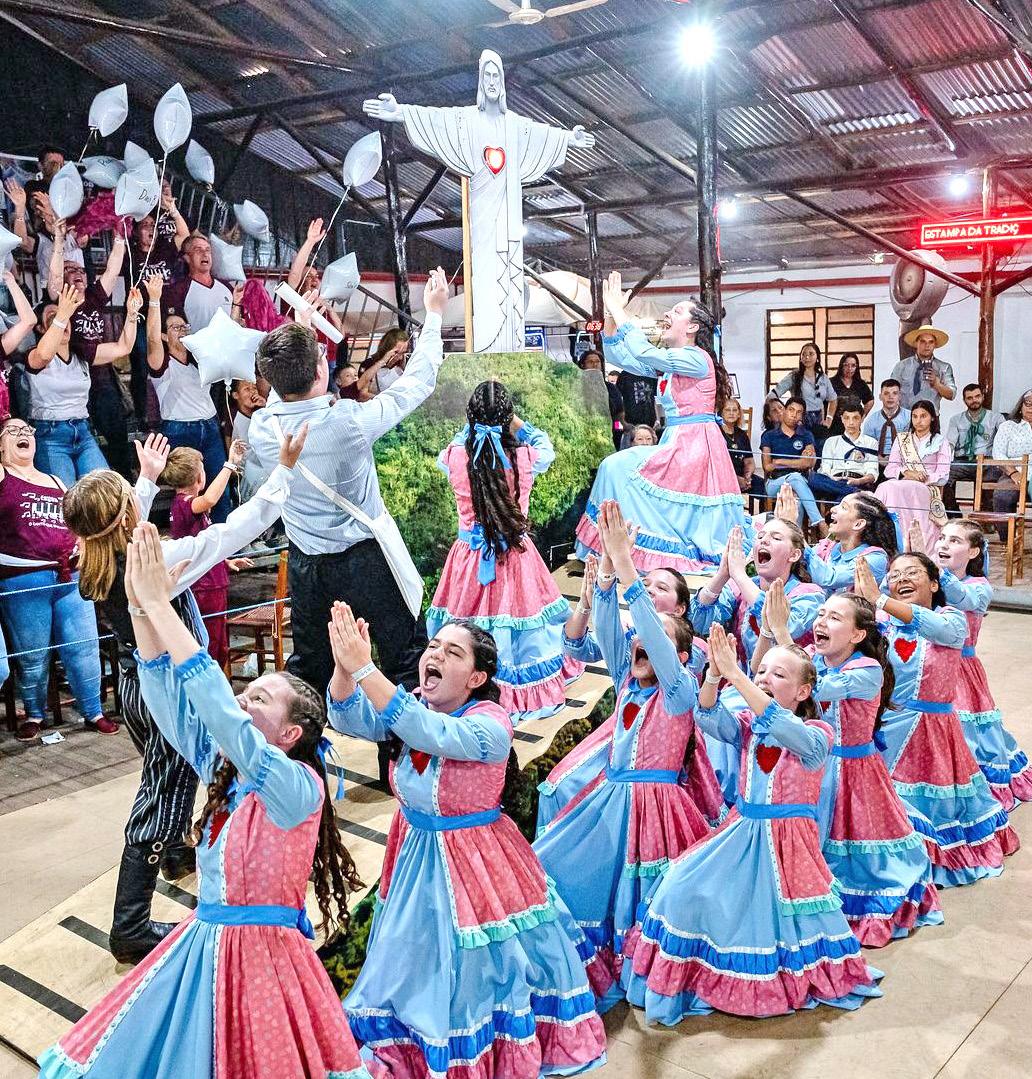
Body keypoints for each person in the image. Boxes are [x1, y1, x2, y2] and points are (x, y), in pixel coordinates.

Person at [38, 521, 370, 1079]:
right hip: (205, 946)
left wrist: (159, 606)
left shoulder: (298, 788)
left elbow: (220, 712)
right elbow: (167, 697)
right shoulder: (226, 771)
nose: (243, 700)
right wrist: (139, 607)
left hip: (266, 961)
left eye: (259, 699)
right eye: (247, 692)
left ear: (290, 734)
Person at [325, 605, 608, 1077]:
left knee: (478, 962)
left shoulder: (492, 724)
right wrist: (343, 667)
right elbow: (350, 718)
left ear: (476, 678)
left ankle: (477, 1041)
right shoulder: (414, 704)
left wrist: (367, 670)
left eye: (453, 652)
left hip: (477, 861)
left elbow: (432, 733)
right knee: (413, 954)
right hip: (415, 855)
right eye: (434, 646)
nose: (435, 654)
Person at [62, 429, 305, 965]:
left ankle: (174, 854)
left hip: (135, 684)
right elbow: (238, 528)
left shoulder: (94, 556)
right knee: (163, 793)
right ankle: (130, 926)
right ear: (126, 514)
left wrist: (146, 482)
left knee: (170, 779)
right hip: (168, 688)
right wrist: (283, 472)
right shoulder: (158, 561)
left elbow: (115, 523)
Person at [622, 626, 883, 1021]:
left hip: (787, 846)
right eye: (761, 671)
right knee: (678, 886)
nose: (764, 678)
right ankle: (695, 973)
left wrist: (738, 675)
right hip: (740, 831)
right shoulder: (749, 726)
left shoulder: (818, 734)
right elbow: (707, 715)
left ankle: (766, 981)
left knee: (778, 921)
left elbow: (783, 726)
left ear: (803, 692)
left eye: (778, 674)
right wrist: (714, 674)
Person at [247, 270, 449, 777]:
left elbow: (284, 388)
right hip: (365, 561)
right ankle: (403, 766)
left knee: (309, 669)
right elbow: (419, 381)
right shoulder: (348, 423)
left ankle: (302, 777)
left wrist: (298, 328)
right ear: (321, 371)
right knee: (402, 656)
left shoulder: (263, 427)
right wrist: (434, 314)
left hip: (307, 566)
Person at [534, 501, 721, 1010]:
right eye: (638, 637)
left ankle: (644, 964)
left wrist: (627, 566)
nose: (640, 640)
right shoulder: (626, 680)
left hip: (658, 809)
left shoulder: (679, 690)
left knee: (644, 894)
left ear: (679, 657)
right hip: (611, 799)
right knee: (555, 866)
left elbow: (655, 641)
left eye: (654, 638)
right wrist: (605, 582)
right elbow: (612, 631)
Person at [753, 586, 942, 946]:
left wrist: (781, 632)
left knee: (852, 851)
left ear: (857, 635)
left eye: (834, 617)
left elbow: (812, 687)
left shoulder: (867, 669)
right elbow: (768, 678)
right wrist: (770, 633)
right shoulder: (812, 656)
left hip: (853, 774)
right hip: (811, 766)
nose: (821, 621)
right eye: (820, 614)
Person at [853, 553, 1016, 886]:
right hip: (885, 729)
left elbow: (933, 627)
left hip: (931, 735)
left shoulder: (952, 619)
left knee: (930, 806)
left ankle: (926, 855)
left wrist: (880, 599)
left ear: (934, 584)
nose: (902, 579)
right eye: (895, 575)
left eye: (913, 573)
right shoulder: (881, 624)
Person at [575, 271, 749, 573]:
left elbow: (643, 350)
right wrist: (612, 314)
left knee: (616, 467)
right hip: (679, 440)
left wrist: (620, 310)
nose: (668, 314)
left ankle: (625, 545)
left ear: (692, 327)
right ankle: (621, 545)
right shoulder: (672, 363)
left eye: (677, 312)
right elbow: (623, 356)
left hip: (694, 444)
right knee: (615, 468)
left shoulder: (697, 358)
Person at [425, 381, 572, 722]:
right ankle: (514, 693)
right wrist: (517, 424)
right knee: (519, 625)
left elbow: (453, 445)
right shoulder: (525, 456)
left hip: (469, 557)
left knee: (464, 626)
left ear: (470, 417)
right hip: (516, 557)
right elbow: (545, 445)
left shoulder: (455, 456)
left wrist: (474, 427)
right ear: (509, 417)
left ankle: (464, 688)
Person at [542, 553, 713, 830]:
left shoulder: (691, 652)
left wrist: (622, 561)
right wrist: (592, 594)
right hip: (623, 738)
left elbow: (665, 660)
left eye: (661, 587)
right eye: (646, 585)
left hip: (670, 741)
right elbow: (578, 646)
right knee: (560, 788)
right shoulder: (630, 644)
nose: (650, 590)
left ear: (680, 608)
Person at [0, 418, 110, 741]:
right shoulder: (3, 475)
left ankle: (94, 711)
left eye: (27, 431)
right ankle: (35, 713)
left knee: (84, 647)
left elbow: (77, 522)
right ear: (1, 446)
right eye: (13, 432)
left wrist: (84, 549)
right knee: (33, 654)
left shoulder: (56, 480)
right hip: (24, 579)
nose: (23, 435)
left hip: (69, 574)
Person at [931, 519, 1032, 810]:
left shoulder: (979, 587)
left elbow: (961, 598)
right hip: (930, 666)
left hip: (961, 669)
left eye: (955, 540)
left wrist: (936, 572)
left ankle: (968, 785)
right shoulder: (933, 581)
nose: (944, 544)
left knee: (966, 727)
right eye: (942, 537)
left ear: (973, 552)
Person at [26, 285, 139, 486]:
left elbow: (123, 347)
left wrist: (131, 314)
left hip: (82, 430)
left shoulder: (81, 354)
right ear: (41, 328)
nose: (62, 319)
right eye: (52, 316)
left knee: (105, 489)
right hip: (50, 434)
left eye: (65, 315)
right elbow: (43, 355)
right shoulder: (35, 354)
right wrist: (62, 315)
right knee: (65, 495)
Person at [49, 224, 134, 477]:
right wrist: (59, 241)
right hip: (75, 379)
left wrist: (119, 238)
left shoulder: (93, 297)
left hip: (102, 379)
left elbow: (112, 270)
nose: (77, 273)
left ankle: (123, 483)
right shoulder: (60, 303)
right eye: (69, 270)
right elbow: (54, 280)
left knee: (118, 438)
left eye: (80, 270)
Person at [145, 274, 231, 522]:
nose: (182, 330)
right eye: (175, 327)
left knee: (220, 487)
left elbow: (228, 344)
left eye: (184, 326)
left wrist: (234, 306)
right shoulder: (162, 364)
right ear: (165, 336)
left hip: (210, 427)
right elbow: (151, 339)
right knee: (187, 492)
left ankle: (221, 536)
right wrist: (154, 300)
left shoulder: (198, 361)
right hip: (180, 430)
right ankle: (190, 535)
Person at [161, 443, 250, 668]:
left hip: (212, 582)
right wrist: (230, 465)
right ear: (199, 478)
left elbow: (202, 545)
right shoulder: (184, 504)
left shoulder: (187, 505)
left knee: (219, 643)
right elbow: (210, 499)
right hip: (204, 587)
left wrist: (225, 562)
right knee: (210, 643)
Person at [877, 400, 952, 552]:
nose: (918, 420)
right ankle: (892, 537)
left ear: (932, 418)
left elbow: (943, 474)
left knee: (892, 488)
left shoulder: (940, 441)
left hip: (926, 488)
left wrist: (922, 477)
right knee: (886, 486)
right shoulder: (902, 439)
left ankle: (910, 543)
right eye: (915, 416)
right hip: (902, 483)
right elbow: (890, 469)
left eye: (923, 416)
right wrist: (906, 473)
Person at [798, 489, 898, 593]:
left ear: (858, 524)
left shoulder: (875, 558)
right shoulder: (827, 549)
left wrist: (795, 530)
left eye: (843, 507)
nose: (833, 509)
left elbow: (828, 578)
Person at [759, 396, 826, 535]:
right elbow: (767, 467)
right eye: (791, 409)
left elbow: (808, 463)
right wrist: (797, 463)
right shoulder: (769, 435)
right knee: (795, 477)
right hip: (774, 483)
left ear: (802, 416)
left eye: (799, 412)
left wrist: (780, 461)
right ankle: (820, 523)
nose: (794, 414)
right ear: (784, 411)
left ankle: (795, 538)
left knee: (797, 498)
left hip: (801, 483)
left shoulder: (806, 435)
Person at [285, 217, 346, 364]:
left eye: (316, 276)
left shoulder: (322, 304)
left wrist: (330, 309)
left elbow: (341, 335)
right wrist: (310, 242)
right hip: (307, 360)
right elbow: (295, 273)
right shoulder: (293, 299)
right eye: (308, 276)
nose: (314, 279)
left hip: (329, 361)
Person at [162, 232, 243, 333]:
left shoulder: (227, 287)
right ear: (187, 257)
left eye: (208, 250)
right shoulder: (178, 290)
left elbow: (236, 324)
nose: (205, 254)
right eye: (198, 250)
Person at [943, 383, 1002, 516]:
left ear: (982, 397)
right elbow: (950, 443)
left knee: (992, 477)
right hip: (962, 461)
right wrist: (944, 458)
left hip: (986, 462)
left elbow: (1004, 439)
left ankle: (985, 517)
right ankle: (954, 514)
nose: (974, 400)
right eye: (969, 398)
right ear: (964, 400)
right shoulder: (956, 419)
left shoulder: (996, 418)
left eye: (977, 396)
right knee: (943, 476)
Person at [808, 401, 879, 507]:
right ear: (842, 419)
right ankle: (854, 492)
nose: (851, 423)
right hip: (833, 482)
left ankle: (849, 492)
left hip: (858, 482)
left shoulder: (870, 442)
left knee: (842, 499)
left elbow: (872, 473)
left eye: (855, 418)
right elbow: (825, 467)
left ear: (862, 418)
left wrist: (858, 481)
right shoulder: (831, 441)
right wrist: (833, 479)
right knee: (813, 478)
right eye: (846, 418)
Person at [769, 340, 837, 439]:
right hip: (799, 420)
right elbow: (773, 394)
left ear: (817, 357)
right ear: (800, 358)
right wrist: (781, 412)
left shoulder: (823, 378)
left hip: (819, 422)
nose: (807, 357)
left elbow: (833, 399)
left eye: (811, 354)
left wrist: (829, 419)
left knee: (819, 446)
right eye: (804, 354)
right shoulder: (794, 376)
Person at [988, 388, 1032, 534]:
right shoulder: (1008, 427)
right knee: (1002, 497)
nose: (1031, 408)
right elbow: (998, 453)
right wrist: (1013, 473)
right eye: (1028, 404)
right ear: (1020, 406)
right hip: (1013, 472)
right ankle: (1007, 539)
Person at [891, 325, 956, 410]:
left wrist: (937, 384)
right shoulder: (901, 366)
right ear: (916, 343)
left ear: (935, 344)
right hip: (905, 415)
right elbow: (890, 391)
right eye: (923, 341)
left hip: (931, 416)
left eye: (931, 342)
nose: (927, 345)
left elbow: (952, 395)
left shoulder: (944, 367)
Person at [229, 379, 269, 502]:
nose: (253, 392)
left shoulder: (262, 414)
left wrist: (266, 406)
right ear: (236, 395)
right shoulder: (232, 419)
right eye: (247, 389)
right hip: (248, 480)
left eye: (254, 388)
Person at [580, 347, 624, 449]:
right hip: (584, 432)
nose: (594, 365)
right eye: (590, 362)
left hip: (608, 433)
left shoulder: (610, 387)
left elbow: (619, 412)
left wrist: (621, 427)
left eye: (597, 362)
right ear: (582, 365)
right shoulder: (576, 386)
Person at [863, 378, 911, 470]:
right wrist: (879, 459)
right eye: (886, 393)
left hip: (904, 461)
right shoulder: (871, 420)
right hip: (878, 460)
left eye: (895, 393)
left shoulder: (910, 417)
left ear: (900, 396)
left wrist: (898, 459)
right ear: (880, 397)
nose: (890, 397)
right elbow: (867, 446)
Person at [719, 397, 763, 499]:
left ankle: (765, 510)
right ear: (721, 413)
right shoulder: (717, 432)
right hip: (723, 476)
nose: (731, 413)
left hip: (742, 474)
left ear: (739, 414)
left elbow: (749, 460)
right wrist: (736, 479)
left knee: (762, 486)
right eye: (727, 410)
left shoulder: (742, 435)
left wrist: (747, 475)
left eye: (734, 410)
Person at [828, 351, 874, 430]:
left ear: (857, 367)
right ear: (841, 366)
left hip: (853, 426)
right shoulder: (831, 382)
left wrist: (862, 416)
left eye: (853, 365)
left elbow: (870, 401)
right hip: (834, 427)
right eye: (846, 365)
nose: (849, 369)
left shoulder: (860, 384)